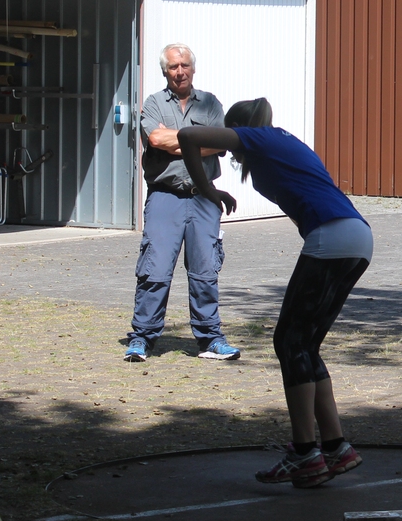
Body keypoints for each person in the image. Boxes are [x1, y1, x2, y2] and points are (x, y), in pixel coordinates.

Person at [177, 97, 372, 487]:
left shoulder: (260, 138)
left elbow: (187, 136)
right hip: (354, 236)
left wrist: (209, 190)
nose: (231, 154)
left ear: (237, 130)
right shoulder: (281, 143)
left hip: (332, 234)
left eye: (231, 144)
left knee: (289, 342)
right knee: (304, 345)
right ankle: (335, 447)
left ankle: (305, 453)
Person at [124, 43, 241, 363]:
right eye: (173, 67)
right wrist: (196, 140)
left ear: (193, 68)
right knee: (155, 270)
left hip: (203, 196)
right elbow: (155, 139)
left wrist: (175, 142)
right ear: (165, 71)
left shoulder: (211, 103)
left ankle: (210, 339)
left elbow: (222, 143)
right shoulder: (153, 103)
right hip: (166, 196)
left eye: (184, 65)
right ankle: (142, 338)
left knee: (205, 271)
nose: (180, 72)